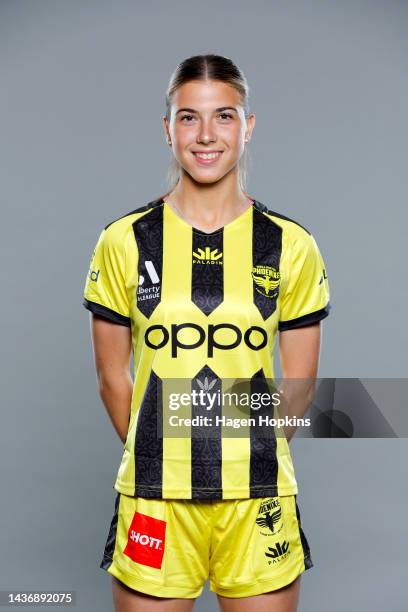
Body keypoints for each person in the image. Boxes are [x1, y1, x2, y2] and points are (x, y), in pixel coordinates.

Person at [83, 54, 331, 612]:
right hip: (155, 499)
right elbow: (110, 378)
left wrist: (247, 449)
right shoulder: (125, 240)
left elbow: (302, 386)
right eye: (189, 117)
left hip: (258, 498)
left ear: (247, 126)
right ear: (168, 129)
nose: (206, 135)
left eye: (224, 116)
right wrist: (162, 453)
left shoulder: (290, 244)